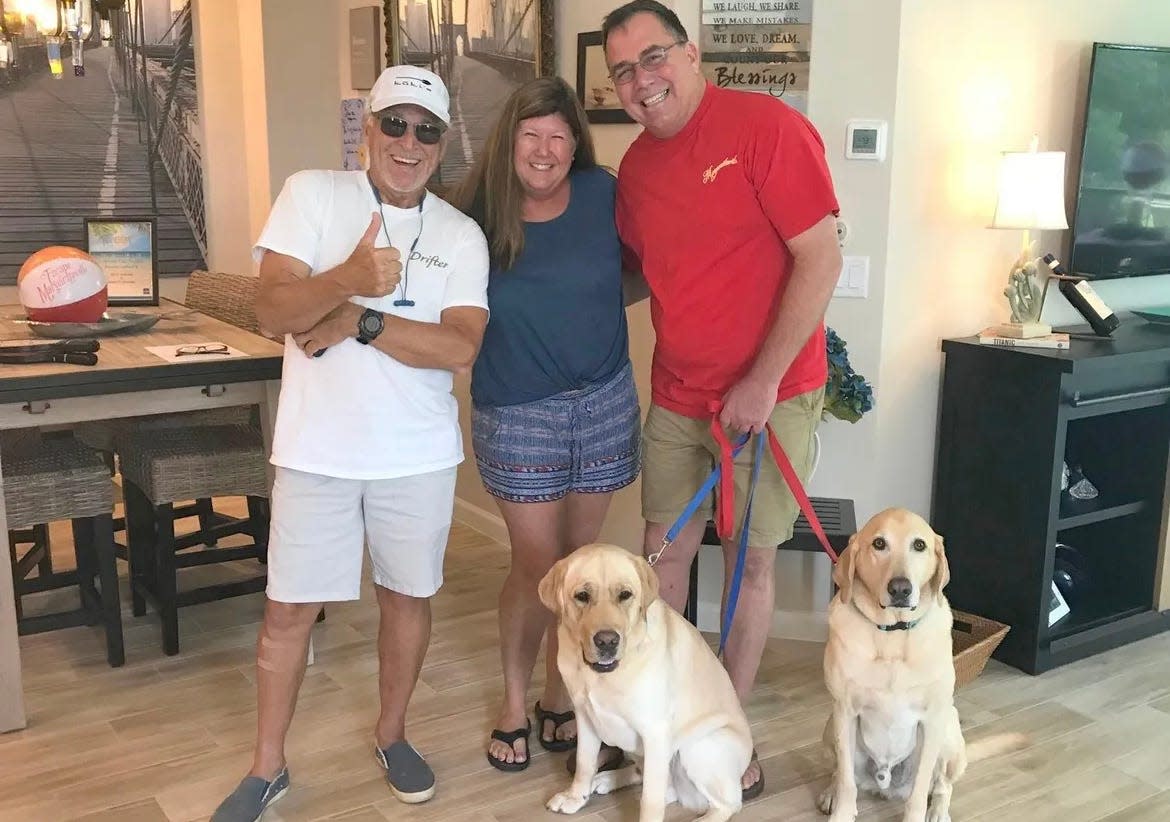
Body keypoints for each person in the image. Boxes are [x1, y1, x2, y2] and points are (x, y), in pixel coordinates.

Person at [211, 65, 490, 822]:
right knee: (287, 613)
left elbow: (460, 347)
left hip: (418, 455)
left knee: (408, 599)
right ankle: (267, 767)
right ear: (367, 129)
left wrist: (361, 321)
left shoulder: (461, 234)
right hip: (316, 452)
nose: (409, 142)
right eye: (394, 124)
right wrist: (349, 276)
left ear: (442, 145)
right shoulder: (313, 194)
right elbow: (272, 311)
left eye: (427, 130)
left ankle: (392, 735)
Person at [602, 0, 844, 800]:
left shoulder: (766, 128)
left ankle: (725, 730)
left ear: (691, 52)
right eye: (624, 71)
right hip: (678, 392)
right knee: (660, 558)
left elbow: (820, 259)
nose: (643, 80)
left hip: (771, 398)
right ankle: (657, 718)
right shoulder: (636, 169)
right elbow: (645, 272)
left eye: (654, 57)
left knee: (751, 560)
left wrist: (763, 380)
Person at [452, 77, 641, 772]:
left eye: (559, 135)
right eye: (532, 133)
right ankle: (512, 702)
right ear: (510, 140)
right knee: (541, 567)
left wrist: (590, 307)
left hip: (603, 400)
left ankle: (559, 697)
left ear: (575, 144)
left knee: (583, 565)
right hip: (517, 407)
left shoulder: (602, 193)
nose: (545, 148)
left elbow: (643, 270)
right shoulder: (471, 210)